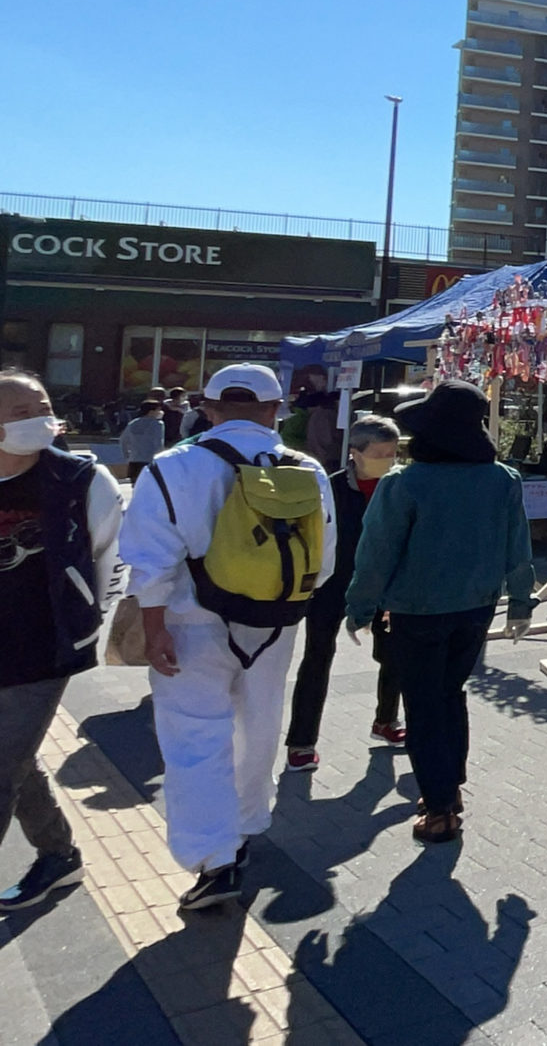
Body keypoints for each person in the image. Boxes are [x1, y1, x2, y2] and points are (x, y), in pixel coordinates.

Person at [120, 363, 335, 909]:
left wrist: (152, 628)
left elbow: (148, 559)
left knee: (195, 737)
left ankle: (214, 860)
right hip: (274, 624)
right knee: (259, 725)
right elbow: (325, 563)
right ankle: (243, 828)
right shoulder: (307, 470)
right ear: (274, 411)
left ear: (209, 409)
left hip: (188, 625)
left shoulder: (173, 466)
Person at [342, 382, 534, 845]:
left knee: (424, 704)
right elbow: (518, 547)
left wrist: (360, 607)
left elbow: (376, 554)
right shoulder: (502, 479)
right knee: (451, 693)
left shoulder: (404, 483)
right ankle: (449, 786)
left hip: (417, 609)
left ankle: (440, 807)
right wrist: (522, 603)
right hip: (478, 605)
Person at [0, 370, 125, 911]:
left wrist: (87, 625)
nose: (37, 419)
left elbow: (109, 558)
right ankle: (60, 856)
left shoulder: (80, 479)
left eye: (42, 406)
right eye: (20, 412)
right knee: (14, 759)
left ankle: (57, 858)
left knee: (1, 765)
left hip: (43, 648)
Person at [283, 415, 405, 773]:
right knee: (317, 657)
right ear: (355, 453)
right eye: (379, 452)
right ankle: (302, 741)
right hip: (331, 585)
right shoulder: (330, 489)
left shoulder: (400, 487)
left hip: (387, 585)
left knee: (394, 656)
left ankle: (386, 720)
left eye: (393, 453)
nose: (387, 459)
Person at [116, 399, 166, 484]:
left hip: (134, 459)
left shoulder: (133, 423)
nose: (161, 412)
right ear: (151, 411)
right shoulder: (158, 424)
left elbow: (123, 440)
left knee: (135, 485)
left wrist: (127, 456)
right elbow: (158, 443)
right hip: (150, 460)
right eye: (158, 410)